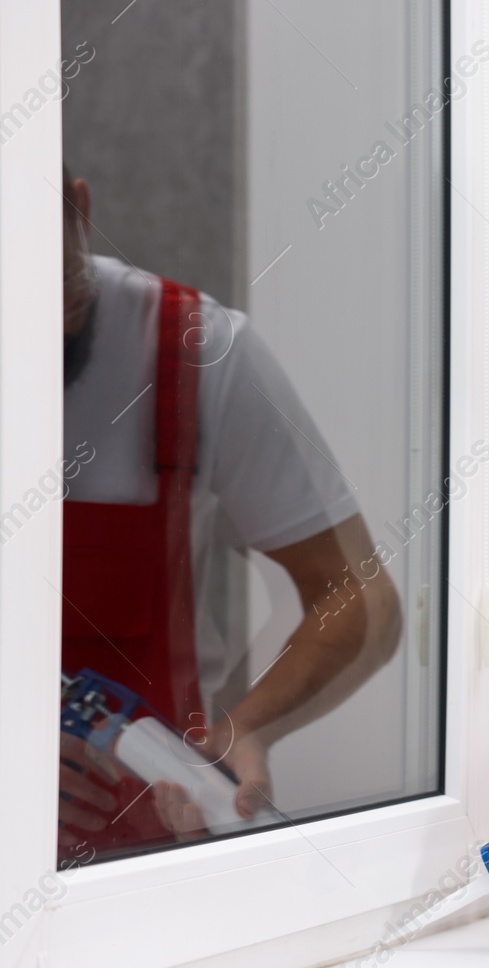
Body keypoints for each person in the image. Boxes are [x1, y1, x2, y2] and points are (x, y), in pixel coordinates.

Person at [55, 167, 402, 867]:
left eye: (45, 297)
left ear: (79, 209)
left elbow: (360, 598)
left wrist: (243, 727)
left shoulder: (196, 350)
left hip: (152, 859)